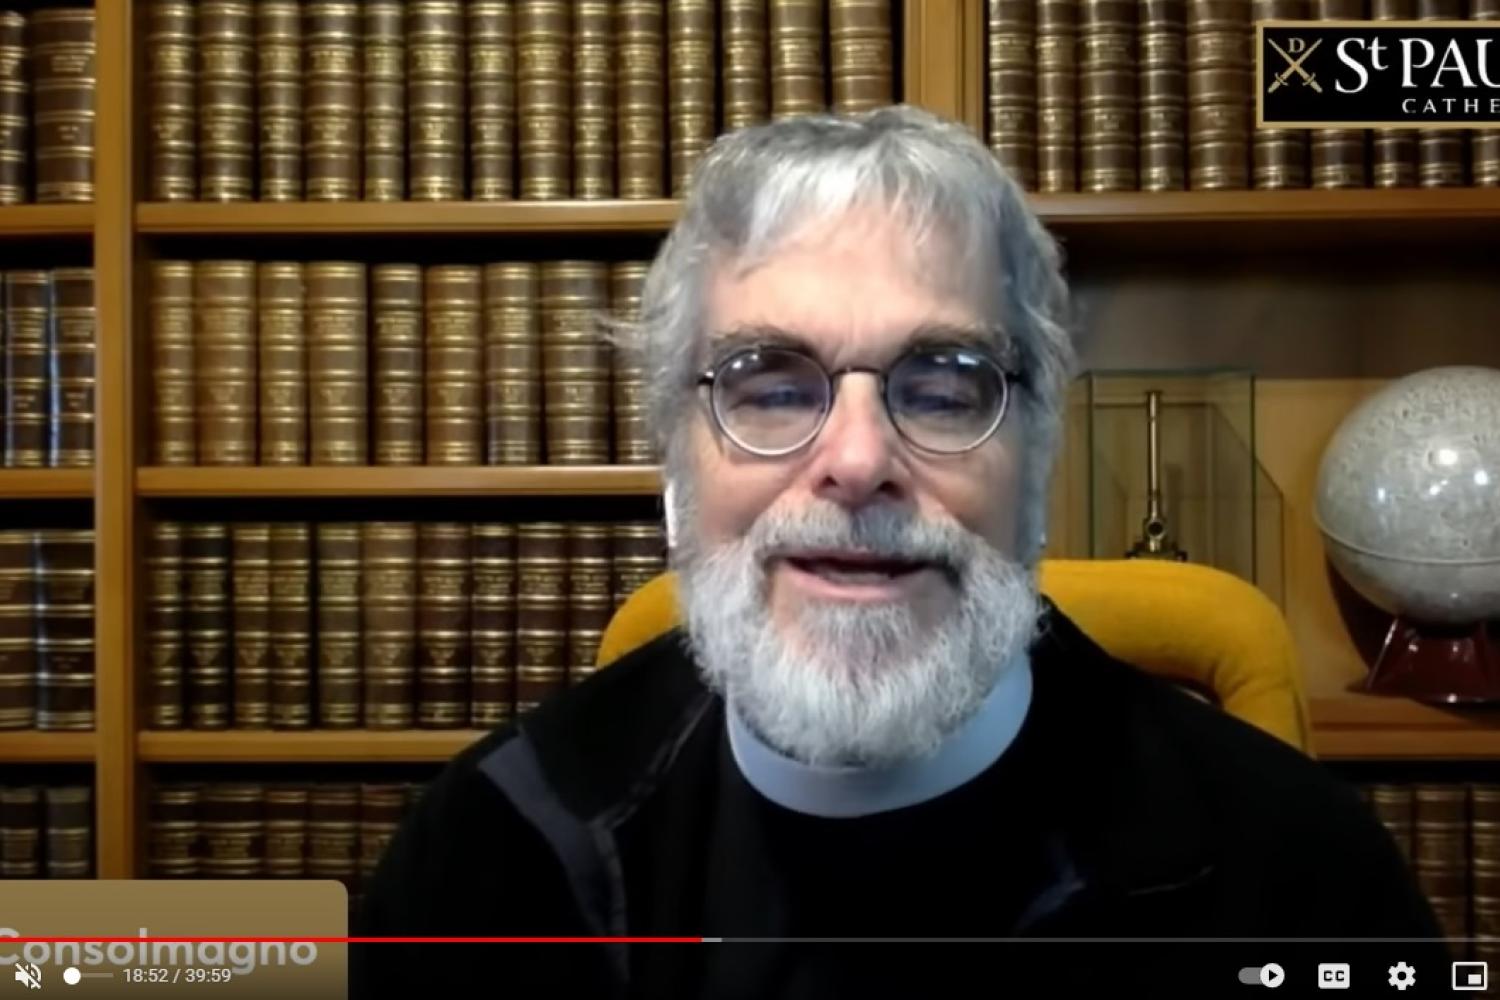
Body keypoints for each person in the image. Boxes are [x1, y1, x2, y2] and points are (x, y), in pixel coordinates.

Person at [353, 106, 1441, 997]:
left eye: (944, 383)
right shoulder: (492, 854)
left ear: (1038, 451)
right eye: (772, 386)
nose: (859, 459)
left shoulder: (1302, 881)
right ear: (675, 460)